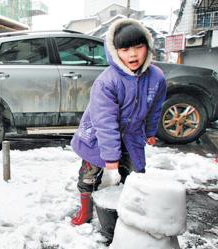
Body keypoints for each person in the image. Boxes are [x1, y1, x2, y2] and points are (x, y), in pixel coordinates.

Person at [70, 18, 167, 226]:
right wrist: (111, 157)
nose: (132, 54)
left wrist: (150, 132)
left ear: (147, 47)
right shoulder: (107, 81)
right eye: (125, 49)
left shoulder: (156, 77)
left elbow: (155, 108)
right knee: (89, 175)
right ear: (115, 52)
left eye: (138, 47)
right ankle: (86, 211)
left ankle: (129, 214)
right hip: (98, 137)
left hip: (132, 135)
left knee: (136, 176)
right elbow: (105, 122)